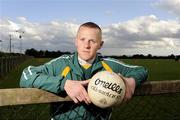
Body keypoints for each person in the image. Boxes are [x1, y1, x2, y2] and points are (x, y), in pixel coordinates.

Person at [20, 22, 148, 120]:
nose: (86, 45)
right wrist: (65, 83)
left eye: (92, 41)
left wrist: (132, 81)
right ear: (76, 41)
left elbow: (141, 70)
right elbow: (26, 76)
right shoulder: (61, 63)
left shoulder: (109, 65)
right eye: (82, 40)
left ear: (100, 44)